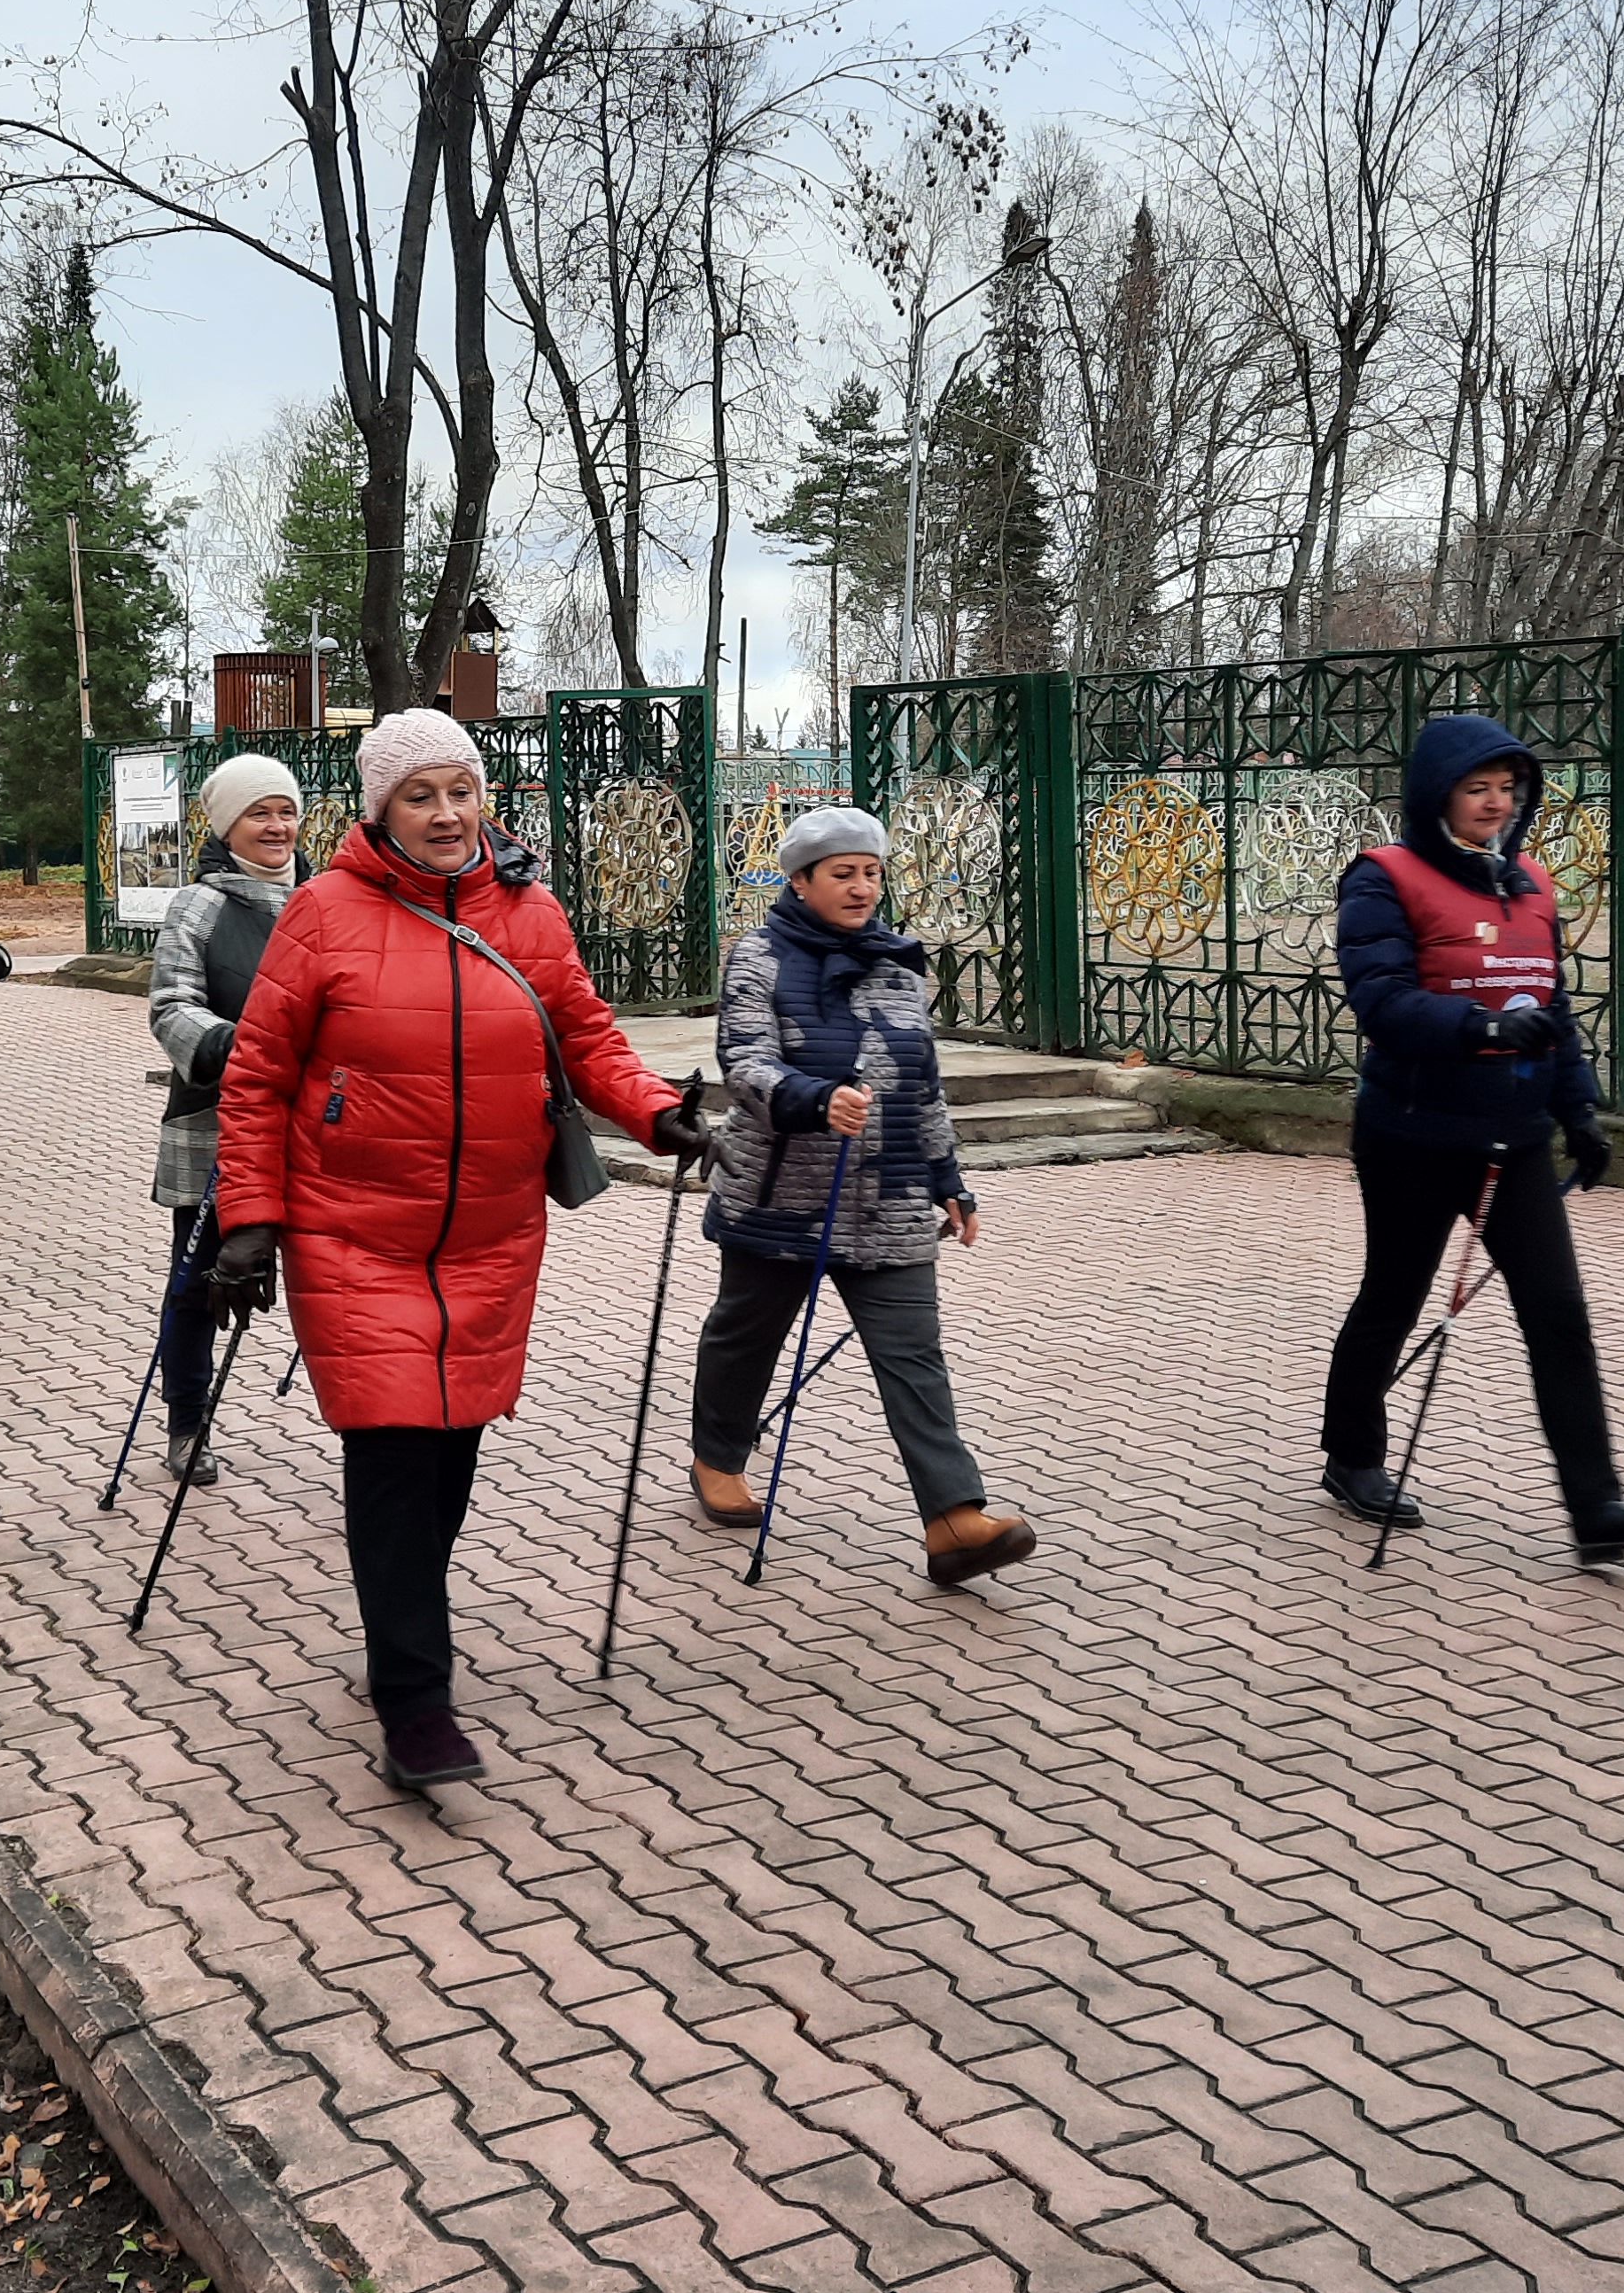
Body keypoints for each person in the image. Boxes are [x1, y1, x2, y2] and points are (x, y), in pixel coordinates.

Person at [209, 709, 713, 1789]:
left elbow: (583, 1033)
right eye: (419, 796)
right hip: (353, 1230)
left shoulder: (527, 912)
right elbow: (255, 1077)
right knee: (393, 1451)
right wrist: (250, 1219)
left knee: (449, 1453)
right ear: (379, 809)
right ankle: (414, 1700)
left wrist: (656, 1111)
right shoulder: (322, 914)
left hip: (489, 1233)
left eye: (460, 791)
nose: (445, 815)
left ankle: (402, 1630)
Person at [1318, 712, 1624, 1564]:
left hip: (1514, 1136)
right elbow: (1381, 1001)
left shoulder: (1531, 882)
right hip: (1413, 1133)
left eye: (1507, 789)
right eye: (1477, 788)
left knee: (1559, 1314)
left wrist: (1579, 1111)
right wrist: (1485, 1028)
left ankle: (1597, 1510)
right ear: (1436, 794)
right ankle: (1352, 1454)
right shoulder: (1383, 878)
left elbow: (1551, 1006)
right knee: (1394, 1297)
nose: (1496, 803)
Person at [685, 807, 1037, 1589]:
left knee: (913, 1357)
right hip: (782, 1198)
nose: (861, 886)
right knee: (746, 1337)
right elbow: (744, 1061)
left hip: (893, 1197)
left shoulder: (899, 964)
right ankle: (717, 1456)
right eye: (842, 873)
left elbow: (924, 1084)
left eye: (871, 872)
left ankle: (952, 1519)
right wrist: (812, 1098)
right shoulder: (757, 957)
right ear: (800, 880)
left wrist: (950, 1180)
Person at [144, 753, 306, 1484]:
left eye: (286, 811)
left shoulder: (328, 900)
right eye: (259, 813)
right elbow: (170, 1008)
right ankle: (187, 1423)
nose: (277, 827)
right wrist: (236, 1043)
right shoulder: (199, 907)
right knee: (199, 1277)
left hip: (314, 1125)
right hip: (218, 1123)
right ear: (227, 825)